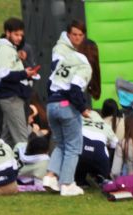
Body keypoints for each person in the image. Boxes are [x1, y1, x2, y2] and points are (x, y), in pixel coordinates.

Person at [41, 21, 92, 198]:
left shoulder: (64, 60)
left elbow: (49, 82)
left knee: (61, 144)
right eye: (75, 34)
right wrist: (83, 108)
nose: (78, 38)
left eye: (80, 35)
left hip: (51, 105)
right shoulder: (83, 64)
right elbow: (75, 89)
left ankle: (49, 176)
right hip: (66, 107)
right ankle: (67, 183)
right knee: (73, 146)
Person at [0, 18, 39, 147]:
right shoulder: (3, 49)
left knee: (8, 139)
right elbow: (3, 74)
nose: (19, 38)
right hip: (10, 97)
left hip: (14, 95)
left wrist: (23, 68)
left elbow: (10, 70)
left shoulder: (11, 49)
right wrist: (24, 73)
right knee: (22, 139)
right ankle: (26, 166)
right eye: (16, 34)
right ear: (7, 33)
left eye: (21, 35)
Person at [76, 109, 118, 187]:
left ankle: (79, 180)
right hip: (100, 158)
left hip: (81, 155)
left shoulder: (78, 122)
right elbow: (115, 144)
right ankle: (102, 177)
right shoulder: (106, 126)